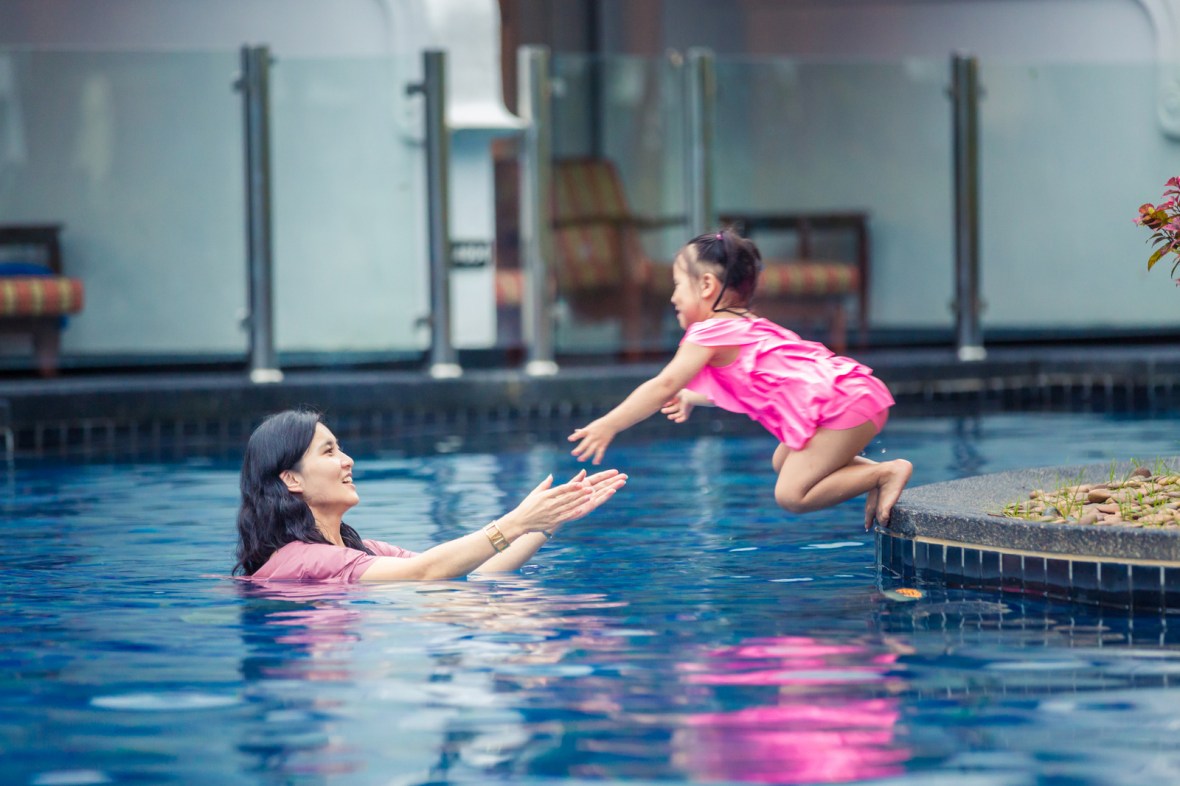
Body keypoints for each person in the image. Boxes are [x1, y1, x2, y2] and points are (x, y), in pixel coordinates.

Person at [567, 229, 911, 529]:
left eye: (677, 286)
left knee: (792, 494)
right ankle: (871, 476)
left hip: (844, 404)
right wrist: (692, 397)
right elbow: (749, 384)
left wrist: (609, 424)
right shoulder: (748, 326)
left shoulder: (708, 333)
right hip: (852, 394)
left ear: (705, 285)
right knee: (783, 461)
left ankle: (884, 472)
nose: (672, 297)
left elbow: (663, 385)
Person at [234, 409, 627, 582]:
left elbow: (463, 570)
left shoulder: (360, 550)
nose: (348, 461)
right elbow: (425, 573)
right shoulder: (302, 559)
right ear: (291, 479)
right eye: (329, 451)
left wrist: (544, 525)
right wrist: (517, 521)